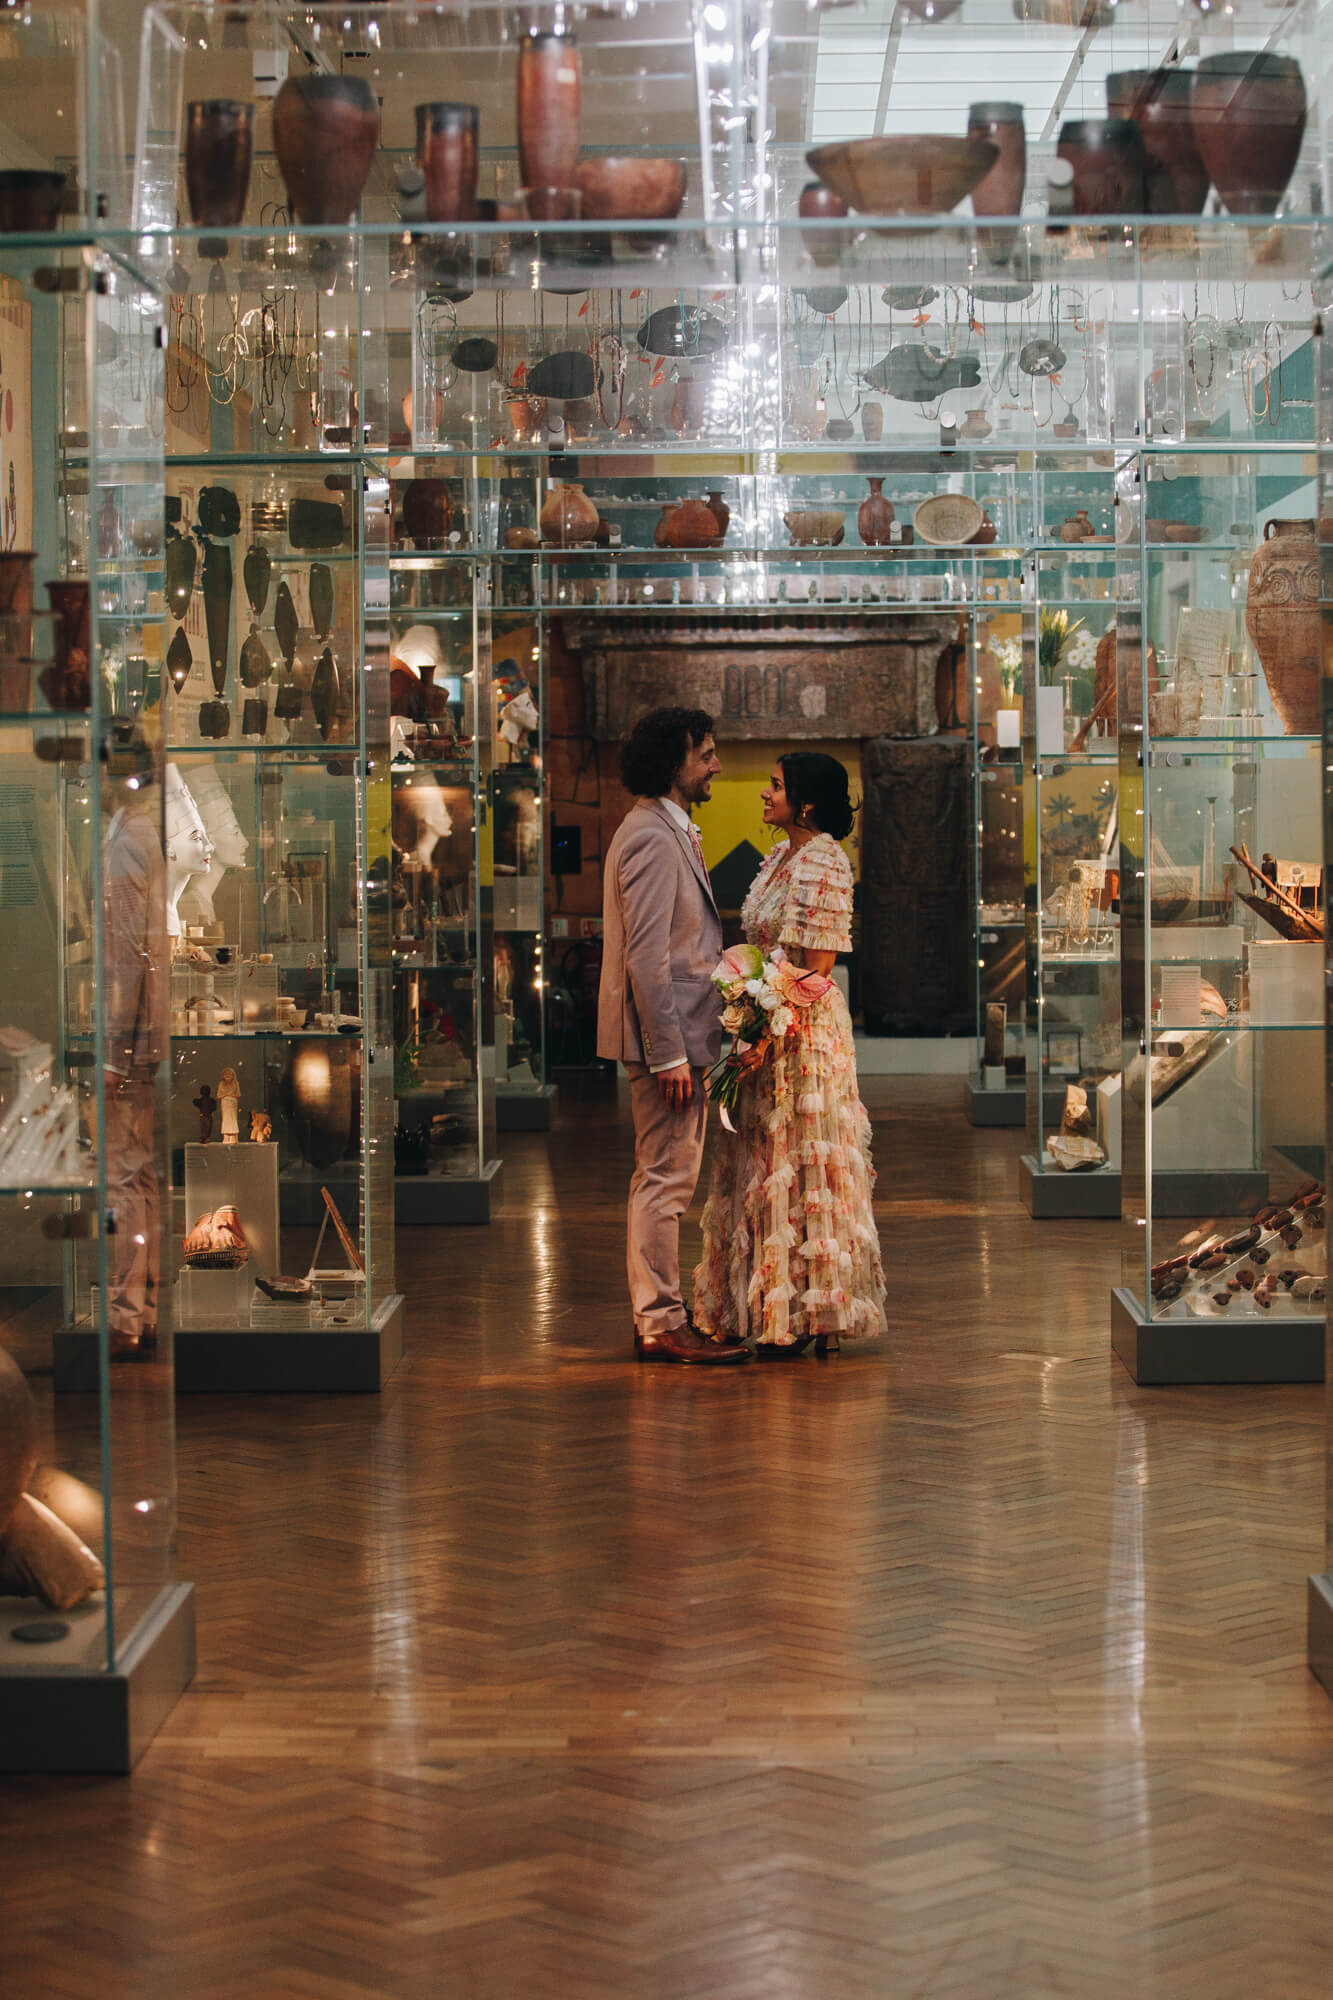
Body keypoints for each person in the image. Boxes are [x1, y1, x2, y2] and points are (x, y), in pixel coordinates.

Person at [693, 751, 886, 1357]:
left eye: (775, 786)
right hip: (766, 1025)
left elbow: (818, 968)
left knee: (797, 1157)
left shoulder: (824, 859)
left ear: (804, 801)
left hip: (801, 1037)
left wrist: (768, 1029)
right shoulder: (782, 856)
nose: (763, 794)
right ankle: (757, 1301)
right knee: (758, 1159)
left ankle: (807, 1314)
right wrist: (746, 1002)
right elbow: (767, 948)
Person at [598, 707, 749, 1365]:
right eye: (706, 753)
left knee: (663, 1178)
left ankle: (658, 1316)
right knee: (665, 1181)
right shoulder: (651, 836)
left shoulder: (666, 828)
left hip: (683, 1039)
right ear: (674, 761)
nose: (716, 765)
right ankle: (659, 1322)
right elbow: (646, 957)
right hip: (668, 1045)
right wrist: (668, 1055)